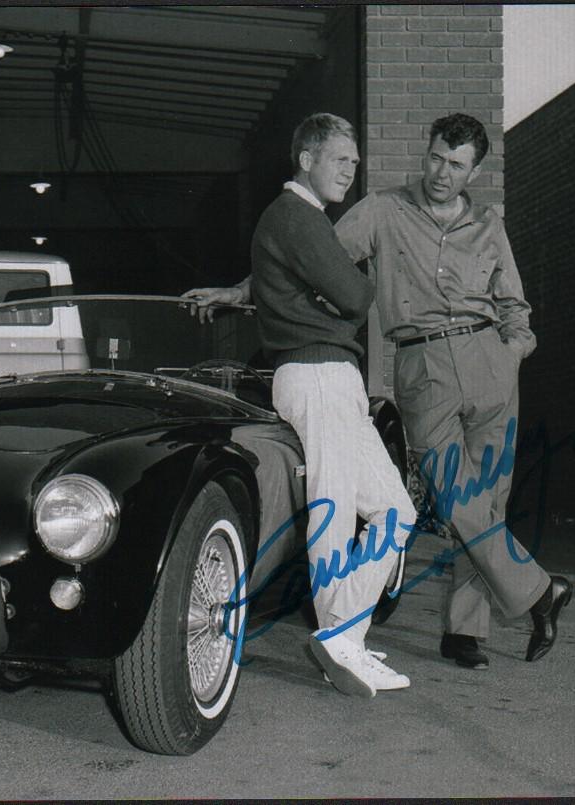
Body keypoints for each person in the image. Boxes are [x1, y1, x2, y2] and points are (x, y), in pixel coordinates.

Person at [185, 113, 571, 670]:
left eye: (456, 165)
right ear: (426, 153)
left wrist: (512, 351)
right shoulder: (383, 210)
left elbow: (514, 303)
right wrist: (240, 290)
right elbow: (308, 259)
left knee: (488, 498)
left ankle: (465, 630)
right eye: (435, 158)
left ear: (474, 172)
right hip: (423, 364)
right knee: (456, 497)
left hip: (489, 360)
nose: (442, 173)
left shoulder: (489, 223)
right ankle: (539, 592)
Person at [209, 112, 418, 697]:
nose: (350, 171)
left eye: (354, 162)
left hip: (329, 373)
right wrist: (338, 297)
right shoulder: (296, 215)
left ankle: (342, 634)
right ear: (306, 159)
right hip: (317, 373)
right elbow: (355, 296)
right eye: (339, 160)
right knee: (337, 505)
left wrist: (327, 301)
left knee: (395, 510)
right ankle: (341, 636)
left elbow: (337, 300)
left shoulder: (303, 220)